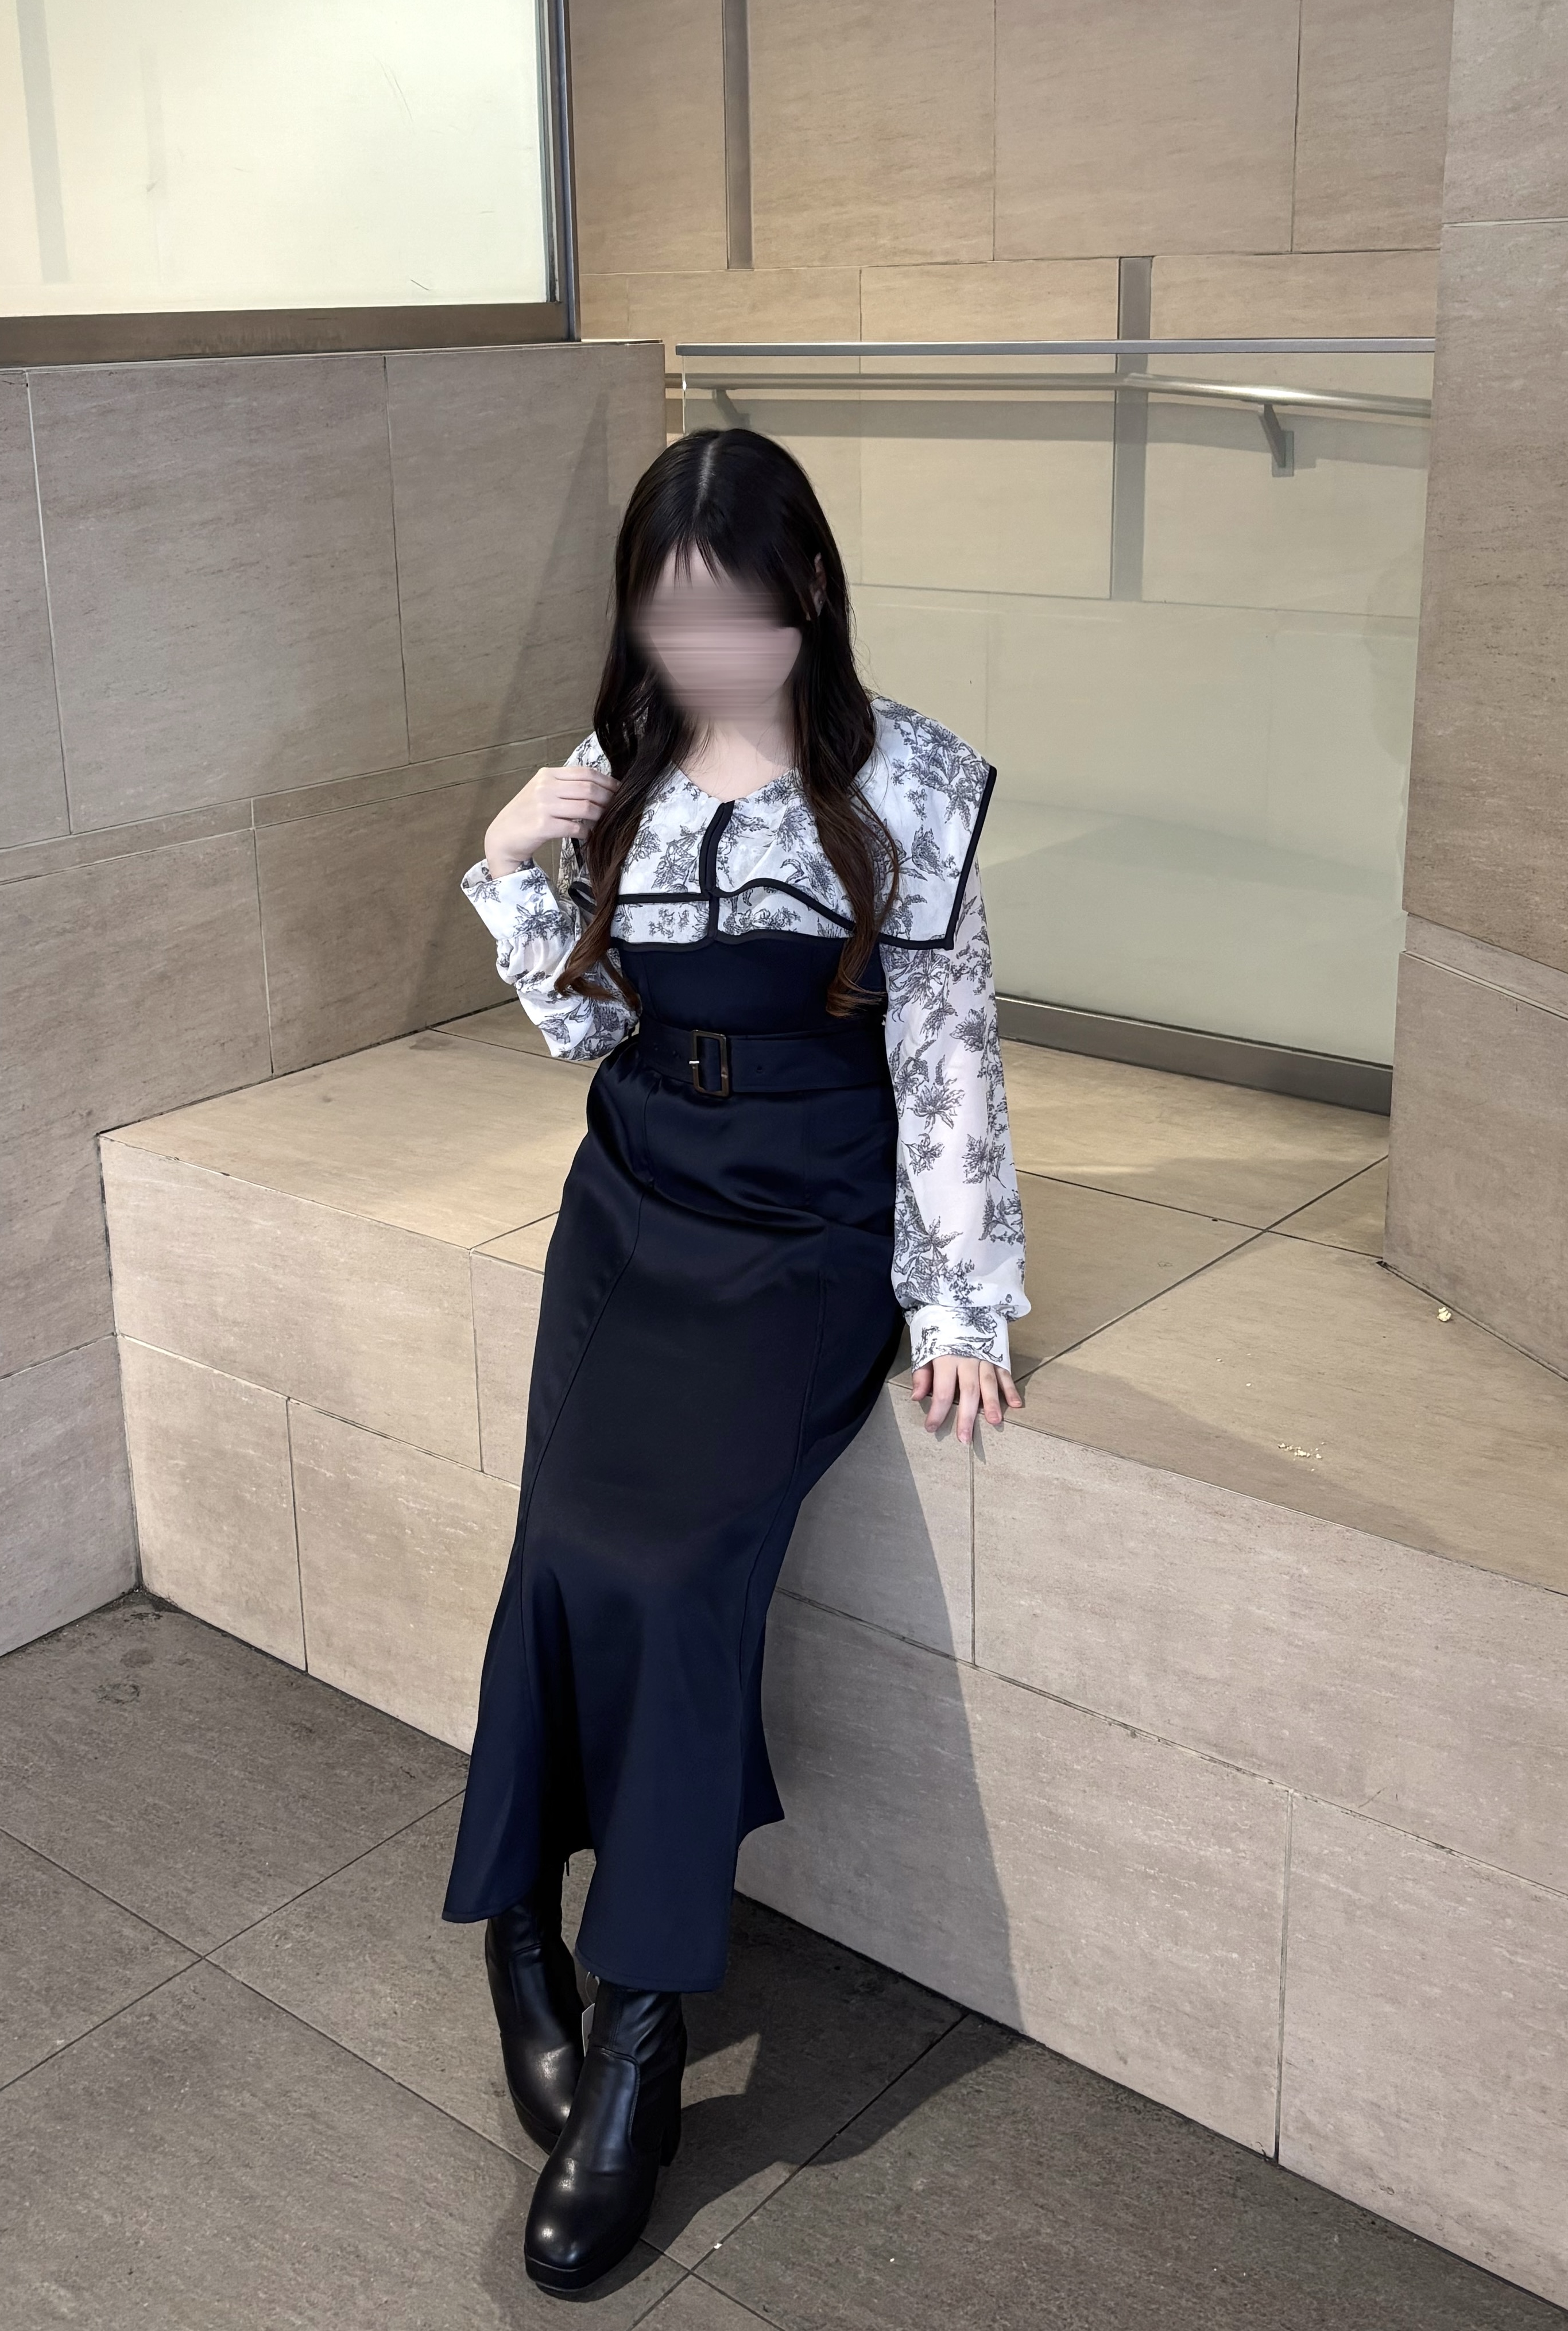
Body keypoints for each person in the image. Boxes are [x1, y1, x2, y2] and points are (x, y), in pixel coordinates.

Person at [438, 425, 1029, 2296]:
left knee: (680, 1572)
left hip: (803, 1220)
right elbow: (582, 1027)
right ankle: (516, 1924)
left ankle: (635, 2027)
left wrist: (958, 1302)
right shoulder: (612, 767)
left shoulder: (906, 781)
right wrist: (509, 860)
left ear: (810, 597)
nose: (699, 654)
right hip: (634, 1198)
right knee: (562, 1546)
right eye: (667, 618)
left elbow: (944, 1051)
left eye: (733, 618)